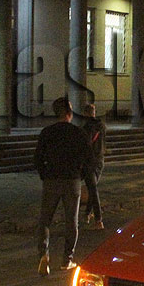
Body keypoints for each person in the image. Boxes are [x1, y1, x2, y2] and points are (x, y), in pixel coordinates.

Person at [34, 97, 95, 275]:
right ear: (69, 113)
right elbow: (89, 159)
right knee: (71, 221)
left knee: (45, 220)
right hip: (72, 180)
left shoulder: (47, 132)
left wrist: (44, 175)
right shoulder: (79, 133)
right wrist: (80, 175)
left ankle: (43, 254)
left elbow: (37, 158)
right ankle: (66, 259)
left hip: (51, 180)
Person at [80, 103, 106, 230]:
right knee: (92, 188)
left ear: (85, 113)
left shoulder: (85, 128)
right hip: (100, 160)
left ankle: (98, 219)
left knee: (93, 189)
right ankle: (87, 214)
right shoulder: (102, 126)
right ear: (94, 112)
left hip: (89, 162)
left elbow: (85, 146)